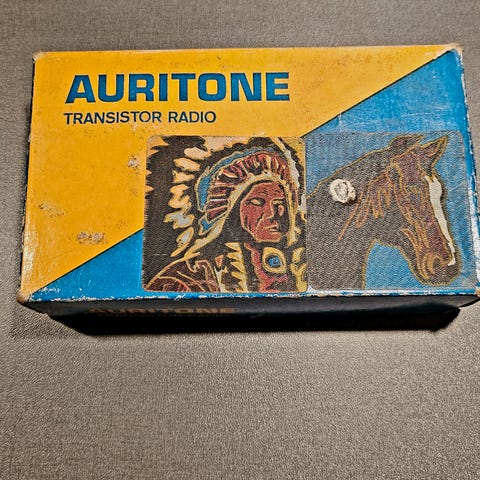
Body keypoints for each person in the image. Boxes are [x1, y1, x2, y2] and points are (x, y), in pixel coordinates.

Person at [145, 145, 306, 293]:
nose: (273, 213)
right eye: (257, 202)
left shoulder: (299, 263)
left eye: (280, 203)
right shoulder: (188, 276)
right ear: (230, 211)